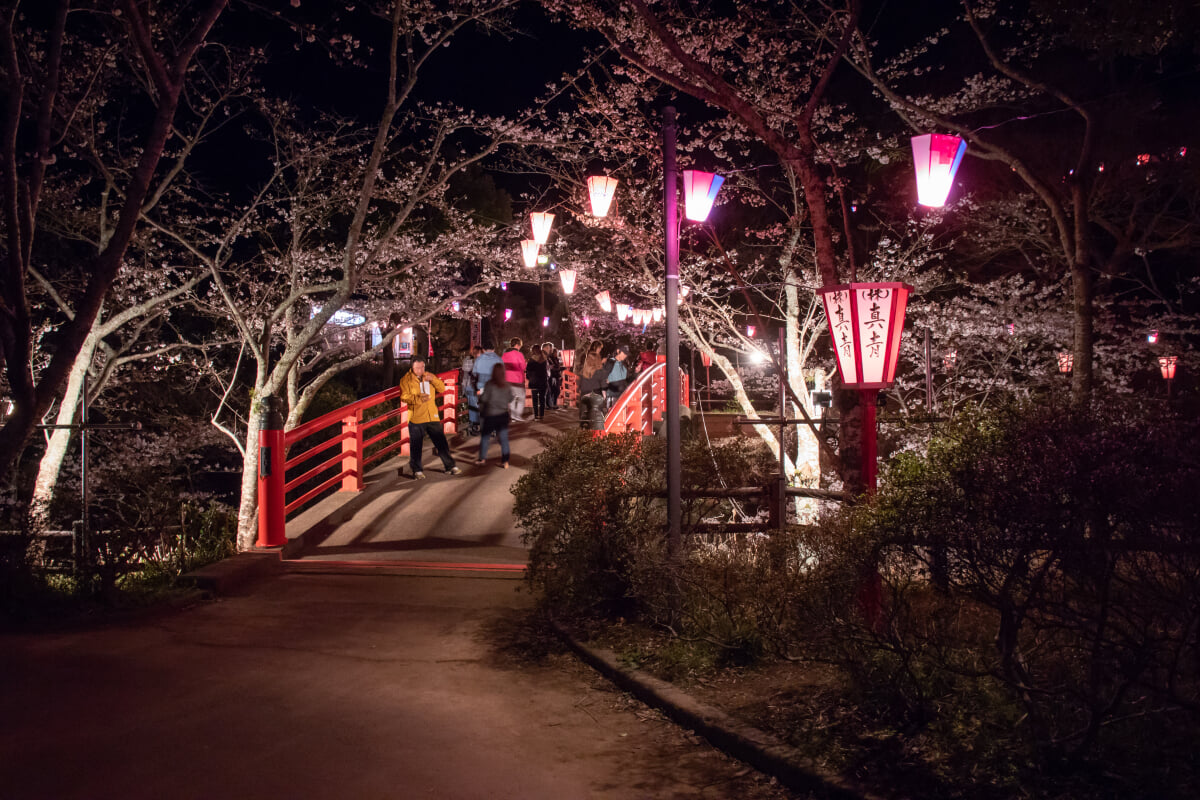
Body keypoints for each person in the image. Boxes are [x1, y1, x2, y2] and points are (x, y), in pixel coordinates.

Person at [398, 358, 460, 479]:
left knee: (441, 442)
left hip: (432, 414)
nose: (420, 370)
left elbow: (442, 388)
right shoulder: (406, 380)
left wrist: (433, 380)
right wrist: (418, 398)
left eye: (422, 367)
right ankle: (417, 470)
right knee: (416, 445)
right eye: (418, 368)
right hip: (416, 416)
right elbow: (404, 396)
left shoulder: (429, 376)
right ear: (412, 368)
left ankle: (450, 466)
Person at [477, 363, 518, 468]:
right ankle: (505, 462)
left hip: (490, 414)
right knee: (504, 438)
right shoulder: (507, 385)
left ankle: (482, 459)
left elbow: (484, 398)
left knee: (485, 437)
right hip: (503, 415)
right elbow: (510, 398)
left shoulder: (489, 384)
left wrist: (481, 397)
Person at [576, 340, 608, 430]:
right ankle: (596, 427)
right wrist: (604, 390)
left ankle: (583, 425)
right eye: (600, 348)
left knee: (584, 407)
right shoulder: (597, 363)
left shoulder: (586, 362)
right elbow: (600, 376)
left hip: (585, 387)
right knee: (596, 407)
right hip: (595, 388)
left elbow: (582, 376)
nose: (600, 351)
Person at [501, 337, 527, 421]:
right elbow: (523, 367)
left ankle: (512, 416)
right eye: (519, 346)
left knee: (512, 398)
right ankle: (517, 415)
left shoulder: (504, 354)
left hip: (507, 379)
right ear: (517, 345)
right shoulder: (519, 354)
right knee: (521, 397)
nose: (519, 348)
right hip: (517, 379)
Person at [472, 341, 502, 410]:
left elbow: (474, 373)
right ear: (493, 349)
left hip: (482, 386)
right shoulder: (498, 359)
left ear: (483, 350)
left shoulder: (479, 360)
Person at [461, 345, 481, 435]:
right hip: (479, 386)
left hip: (469, 385)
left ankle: (474, 426)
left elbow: (465, 376)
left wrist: (463, 388)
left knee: (473, 406)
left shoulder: (467, 360)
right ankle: (479, 424)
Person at [525, 348, 549, 421]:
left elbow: (527, 372)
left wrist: (529, 378)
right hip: (543, 382)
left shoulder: (531, 361)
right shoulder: (544, 360)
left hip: (534, 382)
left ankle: (536, 416)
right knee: (542, 399)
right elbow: (547, 371)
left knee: (535, 400)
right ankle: (541, 415)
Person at [542, 342, 562, 410]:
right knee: (550, 390)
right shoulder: (547, 356)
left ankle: (551, 404)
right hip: (550, 375)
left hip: (552, 375)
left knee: (551, 391)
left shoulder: (555, 359)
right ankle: (549, 405)